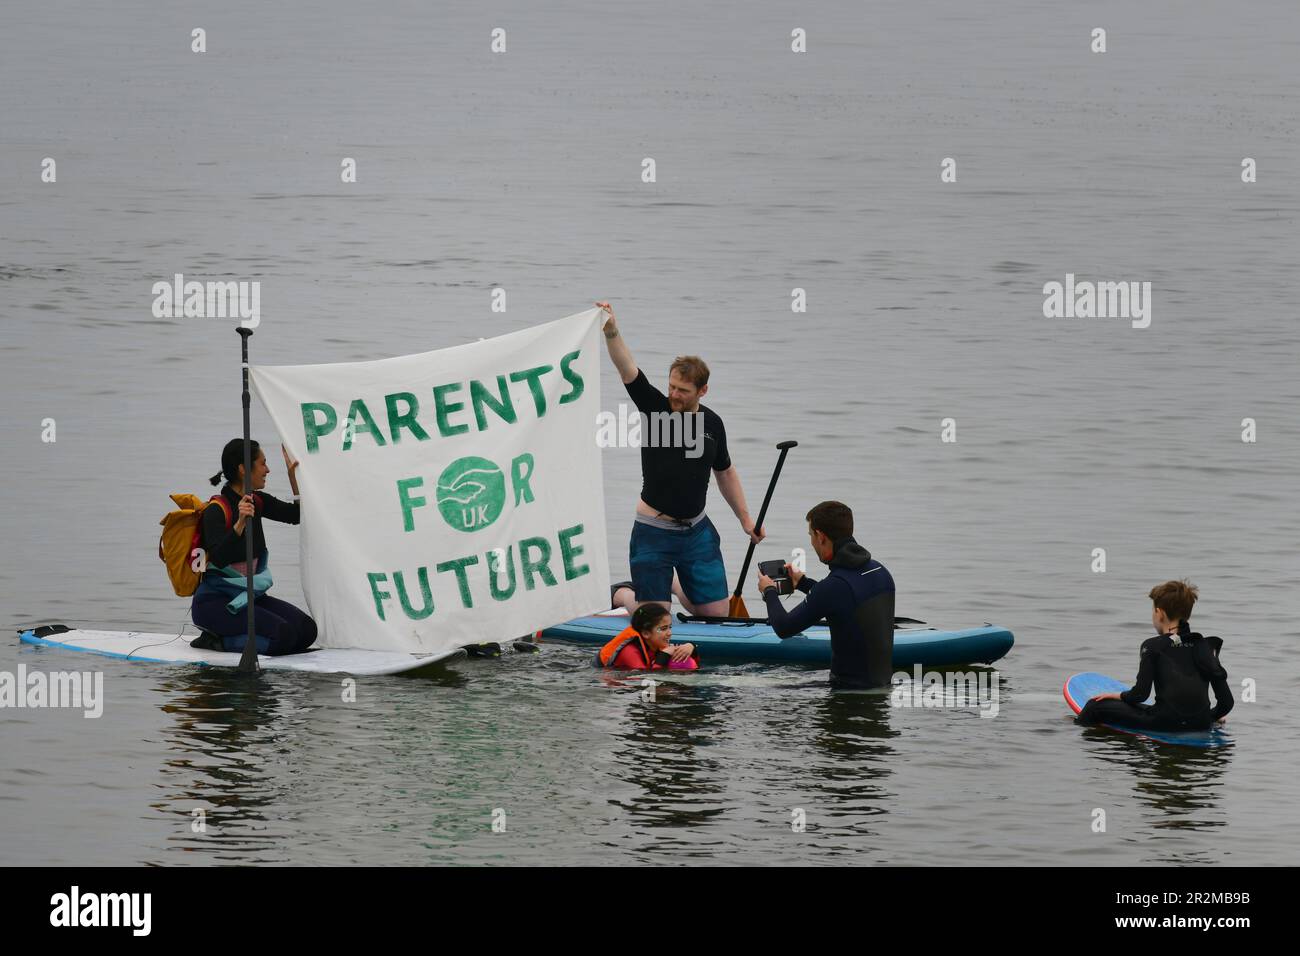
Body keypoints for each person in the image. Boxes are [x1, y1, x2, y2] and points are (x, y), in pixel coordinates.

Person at [598, 300, 763, 618]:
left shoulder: (713, 424)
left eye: (683, 390)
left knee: (718, 617)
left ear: (703, 391)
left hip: (697, 532)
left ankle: (674, 583)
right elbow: (627, 369)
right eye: (671, 386)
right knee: (654, 622)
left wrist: (746, 520)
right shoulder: (656, 409)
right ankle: (622, 594)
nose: (673, 394)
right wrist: (612, 331)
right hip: (653, 531)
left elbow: (725, 473)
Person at [190, 439, 317, 656]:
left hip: (250, 597)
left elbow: (297, 516)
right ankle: (216, 641)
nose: (267, 470)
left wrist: (293, 478)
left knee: (307, 630)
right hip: (216, 603)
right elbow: (218, 557)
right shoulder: (216, 510)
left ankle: (236, 638)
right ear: (243, 469)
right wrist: (239, 523)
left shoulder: (257, 501)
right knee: (283, 636)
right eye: (262, 463)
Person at [757, 501, 896, 689]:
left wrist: (769, 591)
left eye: (811, 536)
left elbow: (784, 627)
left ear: (820, 536)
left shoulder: (834, 586)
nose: (812, 543)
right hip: (882, 689)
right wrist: (803, 583)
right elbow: (846, 600)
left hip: (847, 695)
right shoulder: (880, 571)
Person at [1077, 580, 1232, 731]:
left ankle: (1076, 731)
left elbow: (1139, 695)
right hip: (1201, 724)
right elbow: (1227, 703)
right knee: (1157, 709)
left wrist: (1117, 695)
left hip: (1163, 722)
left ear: (1159, 613)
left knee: (1094, 706)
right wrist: (1209, 717)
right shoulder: (1204, 646)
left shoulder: (1152, 646)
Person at [597, 603, 699, 671]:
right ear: (646, 634)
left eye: (669, 627)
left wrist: (691, 647)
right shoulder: (630, 652)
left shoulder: (657, 643)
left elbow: (693, 660)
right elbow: (648, 680)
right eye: (663, 629)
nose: (669, 633)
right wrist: (663, 656)